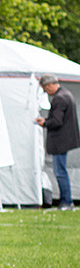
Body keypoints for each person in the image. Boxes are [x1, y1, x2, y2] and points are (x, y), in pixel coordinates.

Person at [35, 73, 80, 210]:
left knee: (60, 171)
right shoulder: (66, 94)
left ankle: (66, 201)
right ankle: (67, 201)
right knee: (61, 170)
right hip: (66, 140)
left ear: (49, 85)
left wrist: (44, 123)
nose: (46, 92)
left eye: (45, 89)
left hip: (60, 141)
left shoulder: (59, 98)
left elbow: (56, 121)